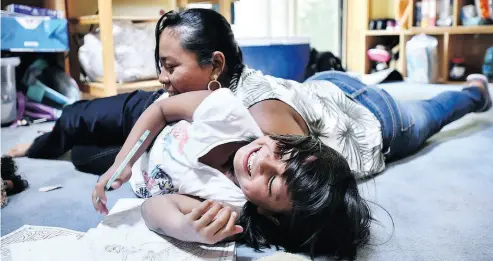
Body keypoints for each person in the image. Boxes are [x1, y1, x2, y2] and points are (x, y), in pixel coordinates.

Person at [93, 87, 371, 260]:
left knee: (83, 153)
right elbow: (162, 109)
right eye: (283, 151)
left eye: (271, 182)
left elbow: (152, 209)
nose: (263, 160)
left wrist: (187, 228)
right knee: (78, 120)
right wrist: (124, 160)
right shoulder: (228, 114)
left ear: (268, 214)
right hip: (144, 126)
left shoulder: (231, 206)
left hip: (141, 170)